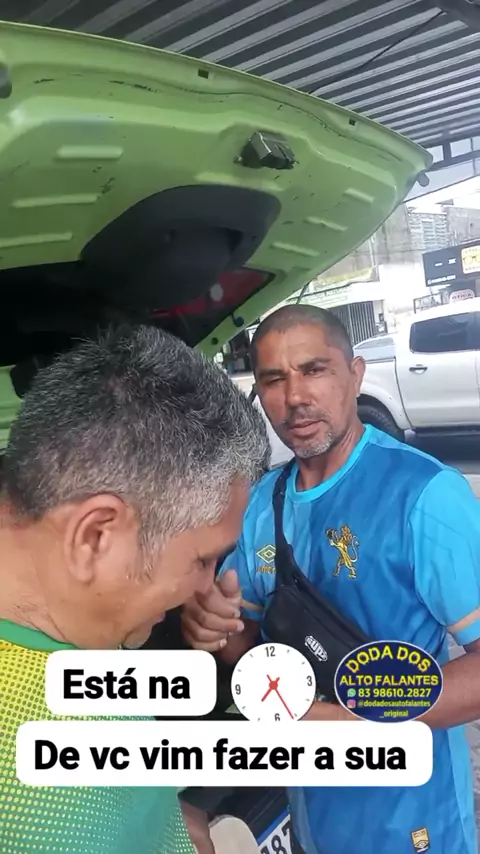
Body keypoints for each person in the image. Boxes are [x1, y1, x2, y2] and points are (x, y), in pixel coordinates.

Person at [182, 303, 480, 854]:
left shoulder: (424, 494)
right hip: (310, 816)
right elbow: (246, 646)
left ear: (355, 374)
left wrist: (342, 725)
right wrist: (214, 627)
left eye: (314, 370)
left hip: (412, 820)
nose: (295, 396)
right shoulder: (259, 504)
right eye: (274, 379)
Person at [0, 324, 270, 854]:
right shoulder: (47, 809)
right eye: (201, 559)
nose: (206, 585)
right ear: (96, 535)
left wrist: (167, 816)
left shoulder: (71, 629)